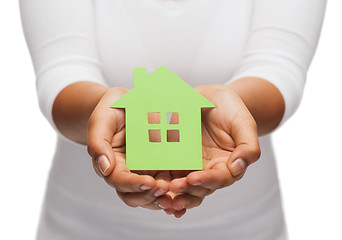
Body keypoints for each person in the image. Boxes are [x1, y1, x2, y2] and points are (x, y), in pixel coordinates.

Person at [20, 0, 326, 239]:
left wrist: (236, 107)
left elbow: (279, 67)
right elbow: (61, 72)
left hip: (246, 227)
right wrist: (102, 108)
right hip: (81, 227)